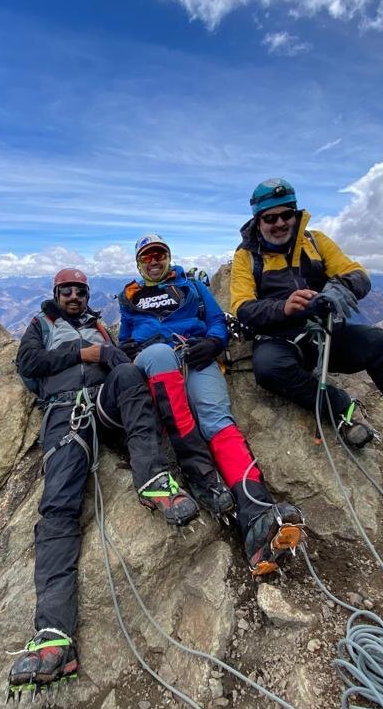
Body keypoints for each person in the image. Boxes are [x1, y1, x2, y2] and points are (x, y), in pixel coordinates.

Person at [9, 267, 199, 693]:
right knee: (58, 507)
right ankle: (53, 635)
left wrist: (118, 355)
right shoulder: (41, 325)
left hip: (102, 402)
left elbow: (120, 363)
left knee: (130, 375)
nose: (74, 295)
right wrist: (84, 354)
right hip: (63, 412)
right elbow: (29, 364)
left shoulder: (100, 326)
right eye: (67, 290)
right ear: (57, 294)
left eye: (80, 290)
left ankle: (153, 480)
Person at [230, 178, 383, 487]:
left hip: (326, 333)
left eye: (286, 214)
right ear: (257, 220)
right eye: (269, 218)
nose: (279, 223)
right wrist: (283, 308)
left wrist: (339, 288)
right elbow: (243, 306)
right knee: (268, 368)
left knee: (382, 344)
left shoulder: (316, 243)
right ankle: (342, 408)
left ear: (295, 213)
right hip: (280, 338)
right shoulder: (246, 257)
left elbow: (357, 274)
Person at [118, 234, 305, 577]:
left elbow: (217, 320)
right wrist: (131, 351)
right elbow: (125, 340)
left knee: (217, 422)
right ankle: (201, 475)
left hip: (197, 354)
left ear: (168, 256)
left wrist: (213, 343)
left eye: (159, 254)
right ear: (139, 263)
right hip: (158, 358)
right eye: (147, 257)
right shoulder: (129, 297)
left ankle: (258, 516)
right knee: (158, 355)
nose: (154, 260)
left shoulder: (191, 286)